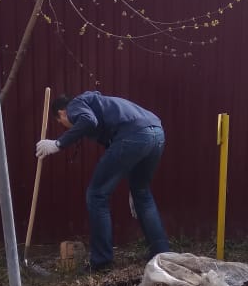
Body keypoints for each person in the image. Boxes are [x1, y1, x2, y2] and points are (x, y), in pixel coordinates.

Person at [36, 91, 170, 272]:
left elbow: (88, 121)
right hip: (156, 133)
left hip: (135, 135)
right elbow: (120, 149)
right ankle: (162, 255)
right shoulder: (100, 106)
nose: (66, 127)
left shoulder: (75, 105)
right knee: (141, 193)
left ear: (61, 113)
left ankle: (101, 262)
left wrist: (58, 144)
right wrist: (133, 186)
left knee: (97, 194)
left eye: (62, 124)